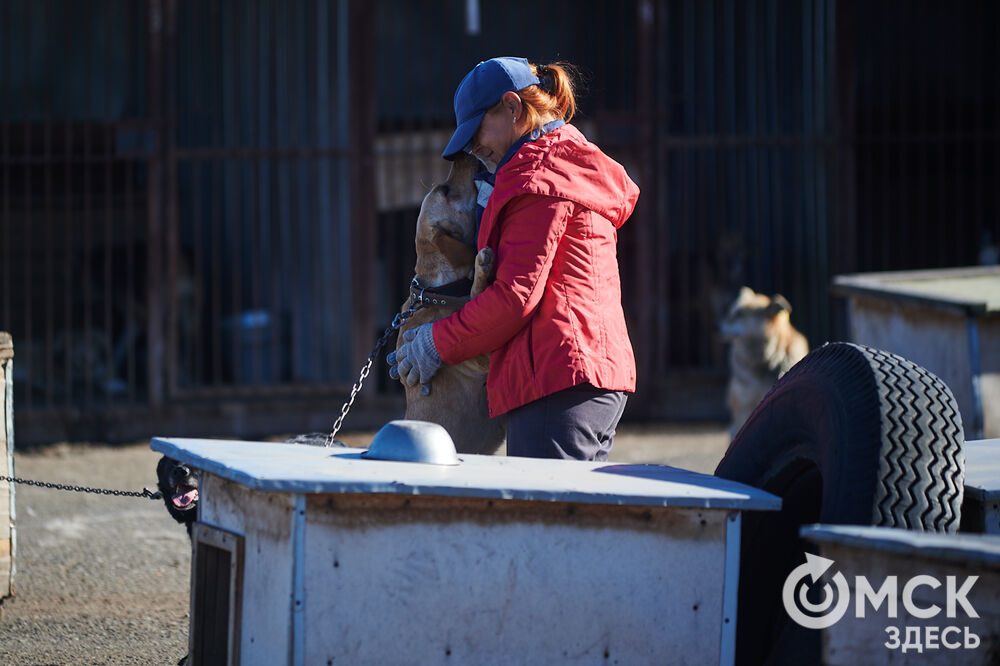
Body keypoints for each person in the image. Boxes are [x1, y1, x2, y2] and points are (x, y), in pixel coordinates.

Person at [390, 56, 639, 461]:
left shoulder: (540, 178)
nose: (475, 148)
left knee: (548, 521)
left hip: (555, 378)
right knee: (573, 520)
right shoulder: (561, 163)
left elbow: (513, 299)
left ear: (512, 107)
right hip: (581, 373)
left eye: (477, 132)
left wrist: (436, 343)